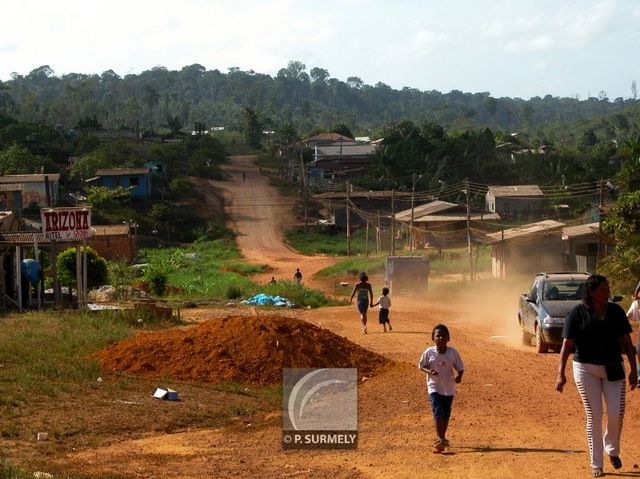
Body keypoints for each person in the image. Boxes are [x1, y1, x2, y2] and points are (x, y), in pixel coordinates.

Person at [555, 274, 637, 478]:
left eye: (608, 288)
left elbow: (627, 343)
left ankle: (612, 450)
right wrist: (560, 373)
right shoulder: (577, 313)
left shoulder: (616, 312)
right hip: (585, 368)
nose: (607, 292)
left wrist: (634, 371)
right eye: (603, 289)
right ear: (591, 292)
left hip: (613, 368)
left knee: (615, 413)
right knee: (595, 416)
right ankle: (596, 464)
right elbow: (567, 346)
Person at [418, 324, 464, 453]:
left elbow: (460, 367)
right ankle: (439, 439)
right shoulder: (429, 352)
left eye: (444, 336)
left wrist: (459, 376)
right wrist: (429, 371)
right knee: (438, 410)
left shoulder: (453, 352)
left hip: (448, 387)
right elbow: (421, 366)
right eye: (438, 335)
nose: (441, 338)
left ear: (448, 338)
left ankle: (442, 438)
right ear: (433, 338)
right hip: (434, 387)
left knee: (446, 412)